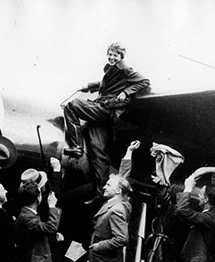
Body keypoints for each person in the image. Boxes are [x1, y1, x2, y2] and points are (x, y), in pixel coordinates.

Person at [63, 42, 150, 195]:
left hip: (105, 109)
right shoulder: (111, 69)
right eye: (110, 54)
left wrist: (126, 92)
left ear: (121, 56)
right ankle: (100, 195)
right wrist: (89, 86)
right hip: (103, 117)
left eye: (115, 55)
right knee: (99, 156)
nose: (111, 57)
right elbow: (105, 85)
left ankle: (76, 145)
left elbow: (144, 81)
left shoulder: (125, 69)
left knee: (72, 105)